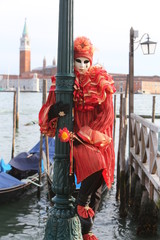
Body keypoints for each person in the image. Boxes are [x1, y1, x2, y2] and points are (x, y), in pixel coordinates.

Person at [39, 36, 116, 240]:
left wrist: (90, 133)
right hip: (72, 137)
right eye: (78, 61)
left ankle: (86, 220)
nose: (82, 66)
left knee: (100, 173)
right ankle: (82, 211)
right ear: (72, 61)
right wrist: (55, 110)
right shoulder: (64, 82)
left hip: (97, 135)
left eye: (86, 62)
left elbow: (107, 114)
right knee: (89, 167)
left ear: (91, 62)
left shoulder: (99, 81)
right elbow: (48, 110)